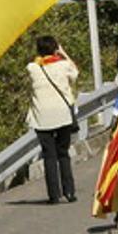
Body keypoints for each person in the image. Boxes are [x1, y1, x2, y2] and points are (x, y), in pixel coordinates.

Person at [26, 35, 79, 204]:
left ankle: (53, 195)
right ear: (55, 49)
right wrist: (63, 53)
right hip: (62, 115)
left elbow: (34, 64)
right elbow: (75, 73)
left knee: (49, 155)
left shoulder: (32, 68)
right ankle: (69, 191)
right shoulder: (63, 66)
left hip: (41, 117)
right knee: (63, 153)